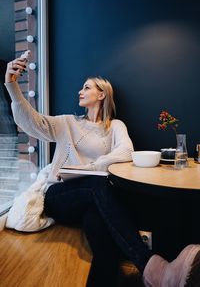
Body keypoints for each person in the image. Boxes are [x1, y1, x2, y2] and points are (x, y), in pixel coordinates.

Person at [4, 55, 200, 287]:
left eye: (86, 87)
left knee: (98, 227)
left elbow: (126, 151)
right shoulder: (67, 123)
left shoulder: (115, 126)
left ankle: (148, 272)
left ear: (102, 94)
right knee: (98, 186)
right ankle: (158, 270)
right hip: (59, 196)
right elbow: (31, 123)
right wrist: (12, 85)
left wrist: (89, 168)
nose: (80, 91)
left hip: (93, 200)